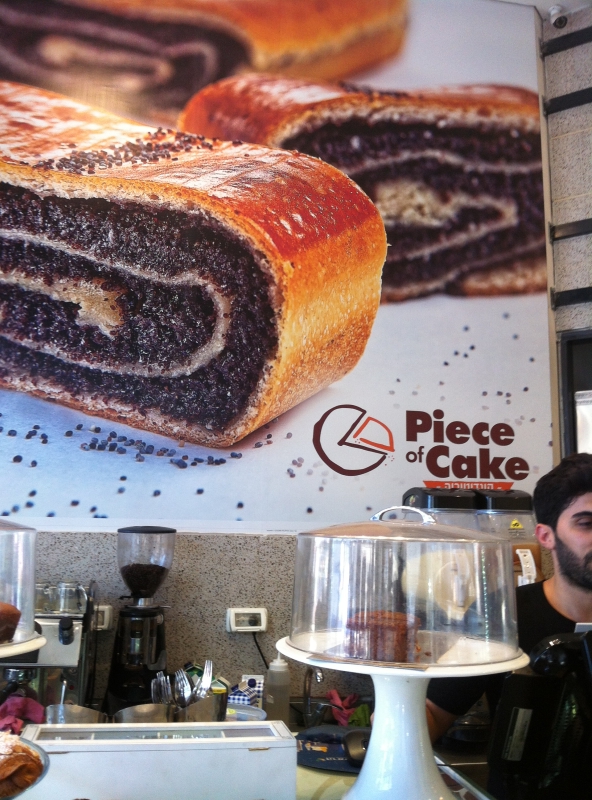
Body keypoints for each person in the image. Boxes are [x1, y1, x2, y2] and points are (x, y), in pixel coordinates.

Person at [426, 452, 592, 742]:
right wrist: (394, 698)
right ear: (546, 536)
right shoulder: (502, 616)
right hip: (529, 772)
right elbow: (434, 714)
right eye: (586, 523)